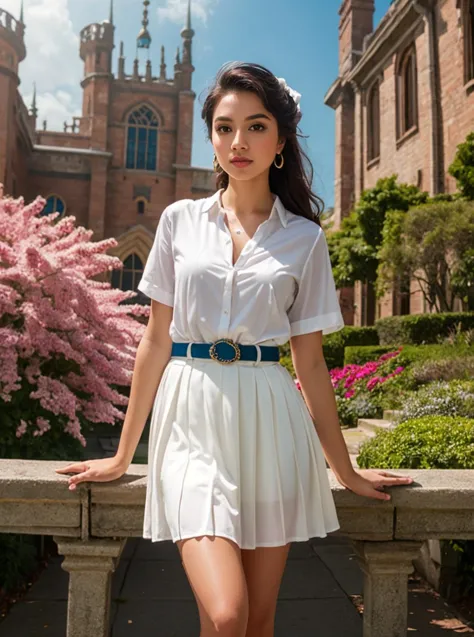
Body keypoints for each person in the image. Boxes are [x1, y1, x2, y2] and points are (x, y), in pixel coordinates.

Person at [56, 62, 413, 637]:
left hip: (271, 419)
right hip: (192, 416)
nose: (237, 142)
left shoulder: (304, 237)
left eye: (255, 126)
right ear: (211, 137)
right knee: (227, 615)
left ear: (280, 140)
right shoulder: (178, 221)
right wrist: (125, 456)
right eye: (224, 128)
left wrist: (343, 468)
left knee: (257, 621)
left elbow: (311, 361)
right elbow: (155, 340)